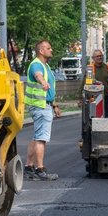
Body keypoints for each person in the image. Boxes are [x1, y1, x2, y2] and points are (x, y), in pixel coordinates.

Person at [25, 39, 61, 180]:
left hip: (44, 105)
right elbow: (37, 75)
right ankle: (40, 170)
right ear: (41, 51)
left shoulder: (46, 66)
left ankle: (29, 166)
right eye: (48, 48)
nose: (51, 50)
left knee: (36, 137)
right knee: (41, 139)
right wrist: (43, 82)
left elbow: (50, 91)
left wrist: (55, 105)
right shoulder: (37, 65)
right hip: (40, 106)